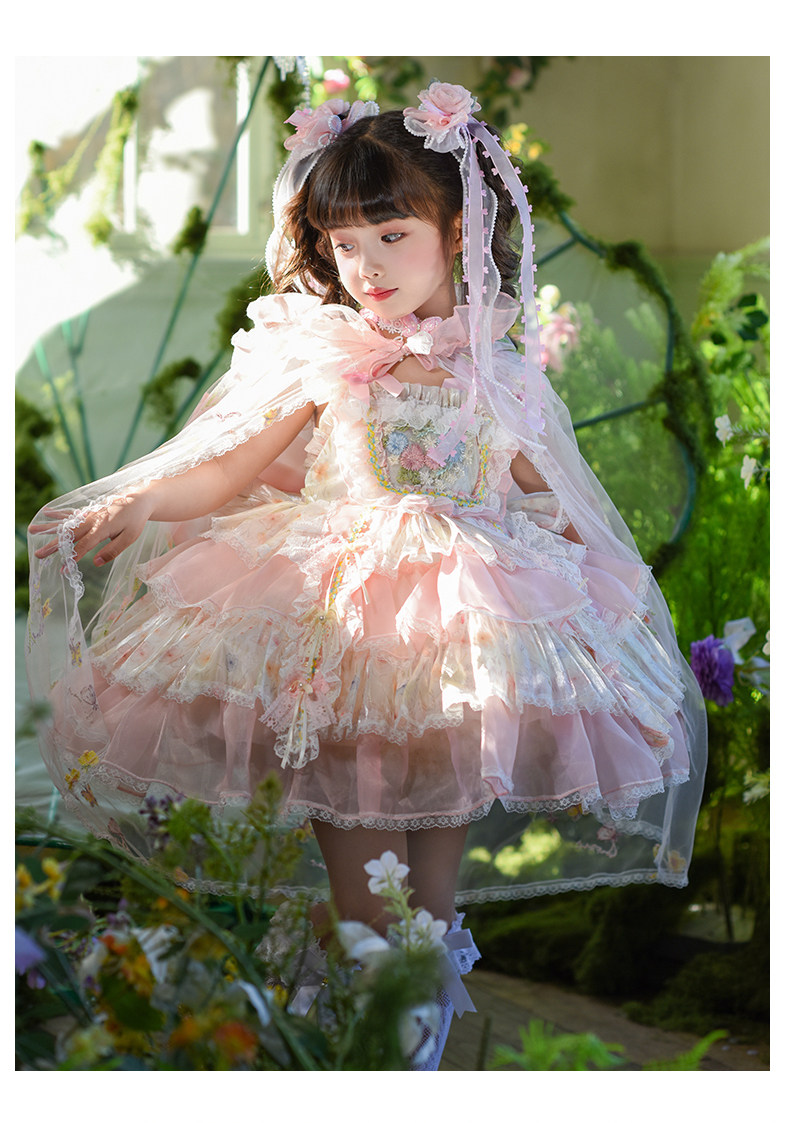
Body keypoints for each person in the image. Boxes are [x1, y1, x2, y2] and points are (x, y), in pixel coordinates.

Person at [26, 82, 707, 1069]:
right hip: (332, 632)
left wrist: (585, 576)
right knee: (364, 900)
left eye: (391, 235)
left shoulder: (499, 375)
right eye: (345, 245)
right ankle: (364, 1041)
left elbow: (560, 493)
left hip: (451, 643)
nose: (367, 266)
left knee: (423, 900)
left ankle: (398, 1046)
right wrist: (144, 501)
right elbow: (227, 468)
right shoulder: (332, 360)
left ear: (458, 229)